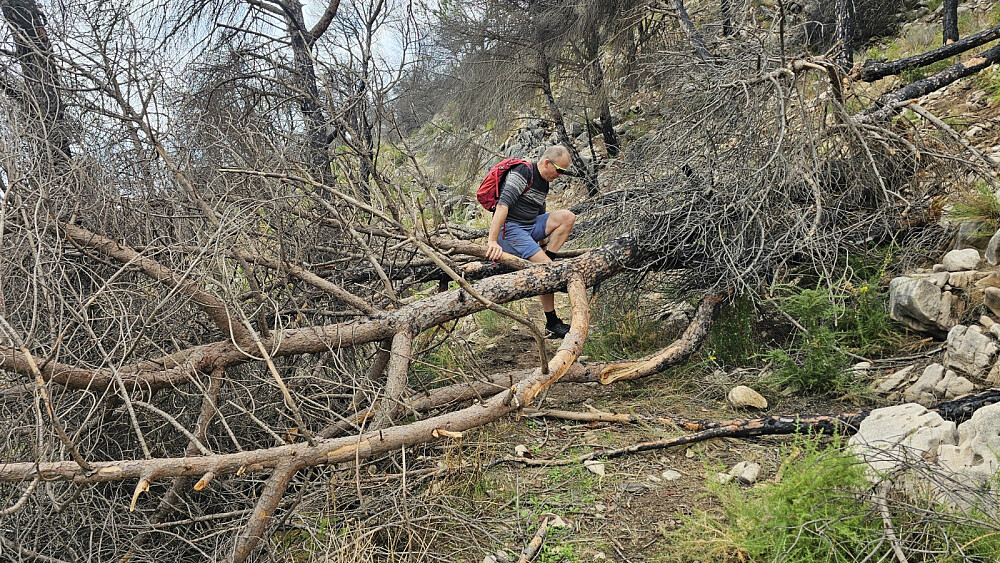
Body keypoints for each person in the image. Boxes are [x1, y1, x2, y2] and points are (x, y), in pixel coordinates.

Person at [485, 145, 577, 338]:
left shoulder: (544, 182)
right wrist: (492, 241)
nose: (560, 175)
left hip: (530, 226)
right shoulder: (522, 173)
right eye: (559, 170)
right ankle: (552, 322)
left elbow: (539, 215)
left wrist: (544, 250)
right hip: (510, 230)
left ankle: (548, 261)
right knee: (547, 269)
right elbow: (502, 206)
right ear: (546, 163)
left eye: (563, 172)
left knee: (567, 217)